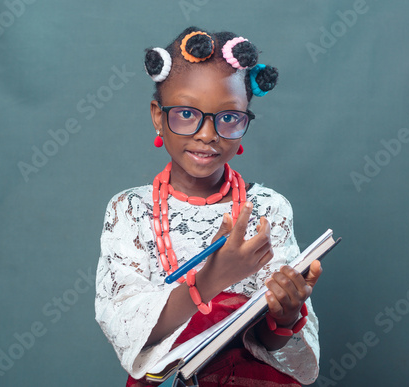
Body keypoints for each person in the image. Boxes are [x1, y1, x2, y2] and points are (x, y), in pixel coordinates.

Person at [95, 26, 323, 386]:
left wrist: (287, 313)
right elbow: (131, 330)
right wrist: (214, 278)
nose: (207, 133)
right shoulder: (130, 210)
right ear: (158, 116)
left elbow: (269, 345)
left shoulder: (268, 208)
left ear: (245, 120)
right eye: (186, 113)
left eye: (229, 118)